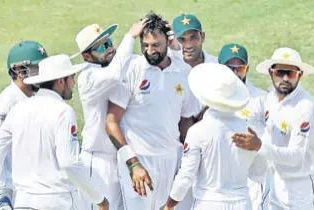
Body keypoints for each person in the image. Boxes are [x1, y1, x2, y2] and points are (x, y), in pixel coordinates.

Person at [0, 54, 109, 210]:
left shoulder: (19, 109)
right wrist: (99, 198)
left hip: (23, 202)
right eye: (71, 77)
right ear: (60, 81)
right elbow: (69, 162)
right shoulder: (63, 111)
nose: (74, 83)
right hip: (57, 202)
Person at [105, 12, 200, 210]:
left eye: (156, 45)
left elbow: (186, 121)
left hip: (171, 159)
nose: (150, 51)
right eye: (145, 45)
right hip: (138, 160)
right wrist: (132, 163)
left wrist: (192, 156)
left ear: (168, 40)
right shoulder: (132, 69)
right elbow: (111, 121)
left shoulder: (184, 72)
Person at [232, 47, 314, 210]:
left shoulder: (306, 107)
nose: (284, 78)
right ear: (270, 73)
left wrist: (259, 146)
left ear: (300, 75)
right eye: (279, 72)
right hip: (277, 181)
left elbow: (296, 156)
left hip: (304, 184)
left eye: (290, 73)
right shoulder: (270, 98)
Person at [162, 63, 266, 210]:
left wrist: (169, 205)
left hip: (208, 203)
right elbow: (259, 174)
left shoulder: (198, 131)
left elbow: (186, 176)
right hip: (242, 203)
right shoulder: (250, 131)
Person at [70, 19, 149, 210]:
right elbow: (114, 74)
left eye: (109, 42)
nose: (110, 48)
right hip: (98, 162)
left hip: (122, 157)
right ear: (87, 57)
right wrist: (129, 36)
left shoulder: (115, 64)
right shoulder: (88, 77)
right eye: (102, 46)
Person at [0, 40, 48, 210]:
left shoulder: (39, 96)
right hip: (13, 191)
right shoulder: (3, 107)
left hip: (39, 188)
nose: (44, 73)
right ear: (20, 71)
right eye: (38, 68)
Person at [171, 13, 219, 210]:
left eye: (193, 37)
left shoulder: (218, 67)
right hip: (176, 152)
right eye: (182, 39)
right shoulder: (168, 67)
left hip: (211, 150)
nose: (188, 44)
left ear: (203, 37)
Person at [218, 43, 269, 210]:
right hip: (221, 172)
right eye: (228, 68)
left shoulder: (261, 98)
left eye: (239, 69)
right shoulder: (211, 96)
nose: (234, 74)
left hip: (252, 175)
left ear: (246, 69)